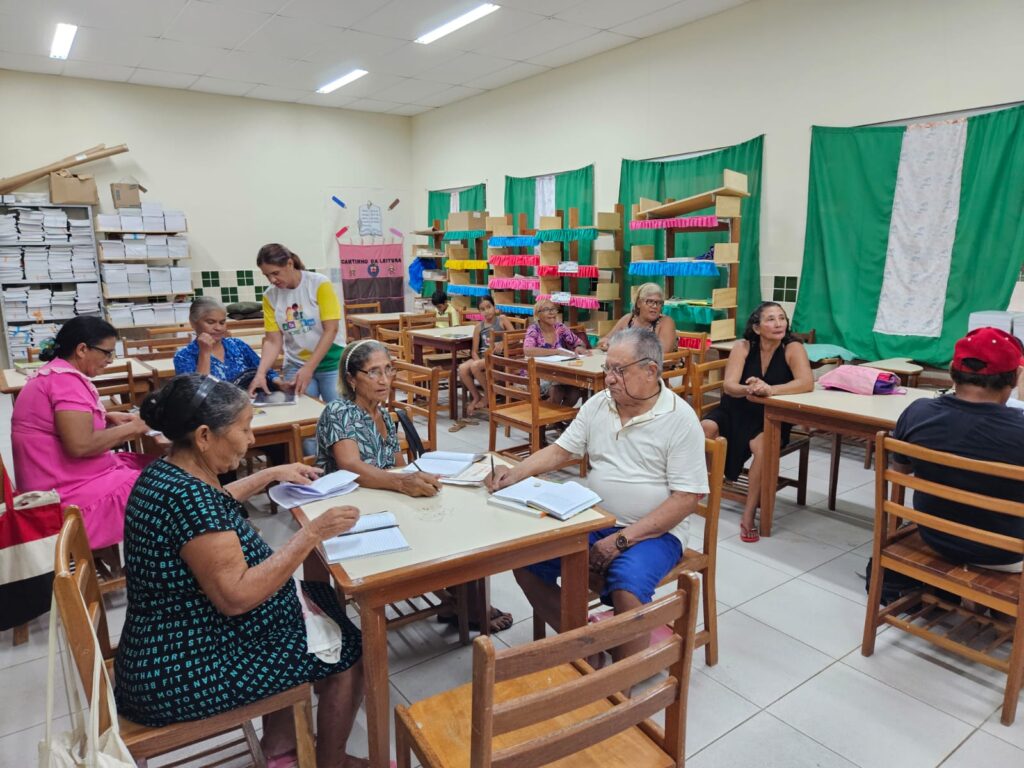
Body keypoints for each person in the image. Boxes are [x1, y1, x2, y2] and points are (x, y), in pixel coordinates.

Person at [115, 374, 368, 768]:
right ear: (203, 436)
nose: (251, 439)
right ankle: (330, 762)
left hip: (168, 643)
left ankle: (281, 749)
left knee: (315, 600)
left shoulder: (169, 472)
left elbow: (214, 504)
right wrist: (313, 532)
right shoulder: (190, 500)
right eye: (244, 429)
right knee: (349, 651)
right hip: (183, 669)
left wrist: (270, 474)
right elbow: (236, 598)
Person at [488, 328, 708, 662]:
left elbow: (686, 499)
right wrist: (513, 473)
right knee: (527, 561)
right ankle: (586, 648)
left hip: (655, 531)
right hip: (595, 518)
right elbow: (561, 450)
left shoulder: (679, 418)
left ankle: (622, 687)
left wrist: (622, 540)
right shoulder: (599, 405)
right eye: (607, 368)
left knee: (627, 584)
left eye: (619, 370)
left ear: (651, 371)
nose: (609, 379)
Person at [317, 340, 513, 633]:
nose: (384, 380)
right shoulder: (339, 412)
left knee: (455, 516)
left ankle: (461, 599)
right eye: (373, 372)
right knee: (434, 526)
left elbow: (398, 465)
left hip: (386, 499)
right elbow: (350, 466)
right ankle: (460, 601)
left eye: (388, 370)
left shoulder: (383, 413)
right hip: (354, 510)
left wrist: (423, 477)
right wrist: (401, 482)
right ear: (351, 379)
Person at [11, 316, 153, 549]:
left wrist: (105, 418)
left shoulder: (53, 373)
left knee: (151, 467)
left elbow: (57, 426)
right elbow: (80, 446)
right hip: (60, 500)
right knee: (160, 484)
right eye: (107, 353)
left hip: (53, 483)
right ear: (82, 349)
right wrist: (135, 427)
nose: (109, 360)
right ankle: (153, 566)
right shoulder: (65, 381)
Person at [892, 327, 1024, 572]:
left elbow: (899, 470)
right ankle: (998, 608)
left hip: (933, 536)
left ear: (952, 369)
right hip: (1005, 554)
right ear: (1016, 377)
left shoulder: (917, 412)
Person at [700, 301, 813, 543]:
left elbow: (805, 382)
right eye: (771, 319)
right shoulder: (742, 346)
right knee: (704, 429)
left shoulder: (792, 348)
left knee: (762, 448)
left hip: (769, 417)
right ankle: (698, 488)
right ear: (757, 327)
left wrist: (769, 390)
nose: (778, 323)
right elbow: (729, 386)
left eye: (782, 318)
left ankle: (749, 514)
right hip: (735, 409)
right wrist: (749, 389)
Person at [249, 243, 343, 402]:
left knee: (339, 412)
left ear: (290, 264)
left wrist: (310, 367)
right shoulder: (270, 296)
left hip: (331, 362)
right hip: (297, 363)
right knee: (303, 413)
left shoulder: (319, 284)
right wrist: (261, 374)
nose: (272, 280)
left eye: (275, 273)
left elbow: (331, 330)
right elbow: (273, 341)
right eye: (267, 275)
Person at [174, 296, 278, 387]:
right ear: (193, 323)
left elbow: (266, 371)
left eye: (222, 322)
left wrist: (280, 383)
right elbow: (197, 394)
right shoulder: (184, 356)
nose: (218, 328)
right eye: (210, 322)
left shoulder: (237, 345)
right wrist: (204, 353)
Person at [455, 294, 514, 424]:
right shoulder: (478, 327)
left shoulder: (502, 320)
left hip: (498, 358)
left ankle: (488, 397)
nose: (486, 311)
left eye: (489, 307)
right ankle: (477, 396)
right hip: (482, 358)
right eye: (482, 309)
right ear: (479, 312)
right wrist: (477, 360)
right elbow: (474, 351)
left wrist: (503, 342)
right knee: (462, 368)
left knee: (475, 366)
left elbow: (515, 336)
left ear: (494, 307)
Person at [524, 297, 590, 407]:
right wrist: (556, 352)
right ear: (538, 314)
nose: (552, 313)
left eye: (553, 309)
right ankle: (550, 420)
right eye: (547, 310)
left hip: (559, 373)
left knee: (575, 392)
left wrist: (578, 346)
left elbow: (580, 342)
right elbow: (528, 350)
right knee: (557, 390)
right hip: (537, 375)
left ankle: (559, 421)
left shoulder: (560, 327)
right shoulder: (534, 329)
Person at [598, 282, 678, 354]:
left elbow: (663, 351)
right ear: (639, 303)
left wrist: (623, 348)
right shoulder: (628, 319)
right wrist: (606, 343)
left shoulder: (666, 322)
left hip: (658, 369)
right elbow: (606, 338)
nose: (655, 306)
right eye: (650, 301)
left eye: (659, 303)